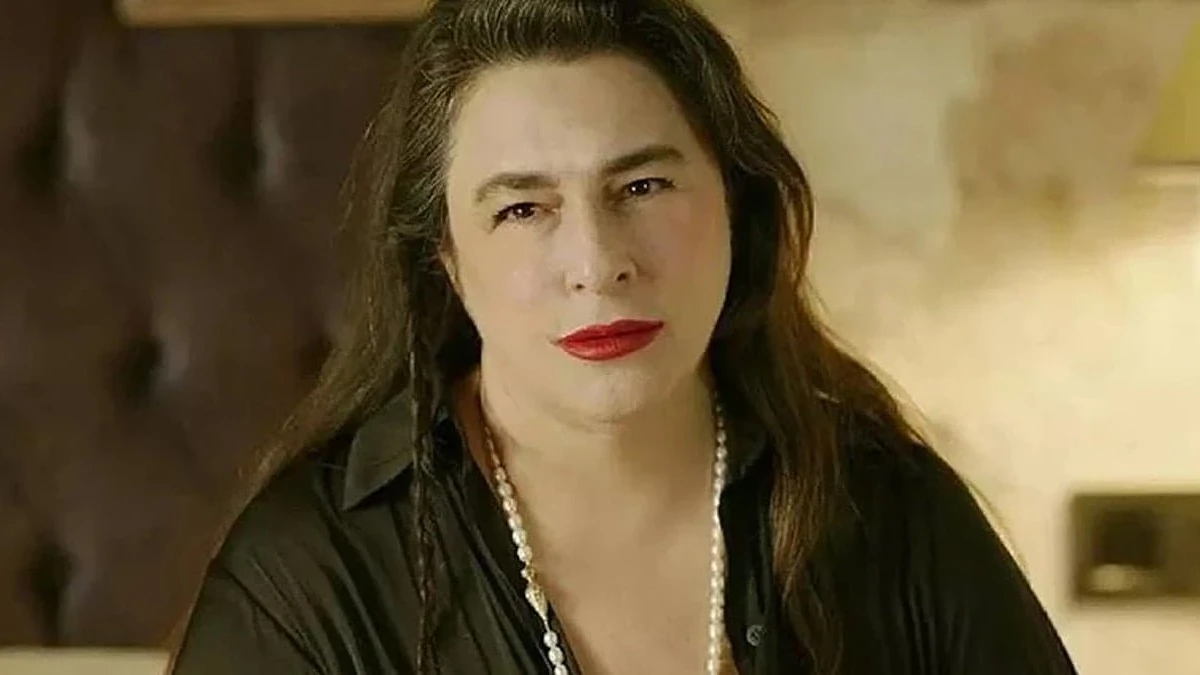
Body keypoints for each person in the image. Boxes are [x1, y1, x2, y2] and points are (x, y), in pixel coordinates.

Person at [170, 0, 1079, 673]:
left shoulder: (889, 510)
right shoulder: (305, 584)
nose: (597, 263)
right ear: (446, 257)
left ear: (736, 205)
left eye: (642, 187)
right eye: (523, 208)